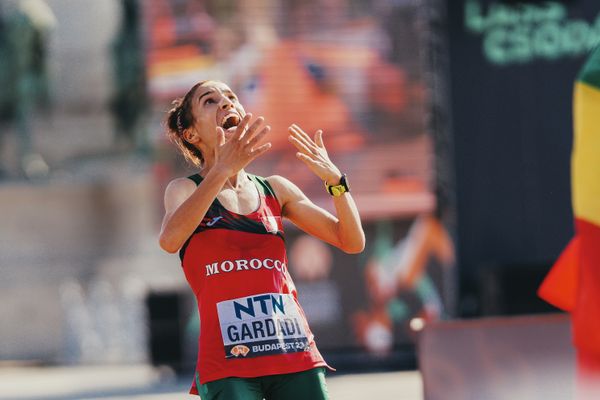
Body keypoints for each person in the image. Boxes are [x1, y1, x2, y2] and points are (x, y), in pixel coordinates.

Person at [159, 80, 365, 399]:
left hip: (293, 349)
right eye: (210, 101)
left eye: (231, 97)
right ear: (192, 134)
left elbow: (351, 241)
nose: (227, 103)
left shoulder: (275, 189)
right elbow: (170, 240)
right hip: (229, 360)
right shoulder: (184, 190)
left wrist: (337, 183)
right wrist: (221, 169)